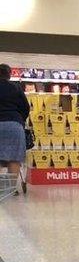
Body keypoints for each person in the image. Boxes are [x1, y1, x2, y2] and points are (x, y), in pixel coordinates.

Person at [0, 64, 29, 194]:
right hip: (14, 124)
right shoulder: (16, 87)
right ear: (9, 74)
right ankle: (11, 189)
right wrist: (19, 120)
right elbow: (25, 107)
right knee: (14, 158)